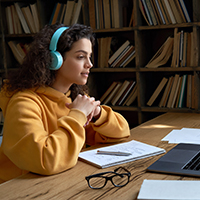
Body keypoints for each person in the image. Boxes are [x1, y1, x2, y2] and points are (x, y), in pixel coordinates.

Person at [0, 23, 130, 184]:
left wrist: (98, 115)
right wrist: (78, 115)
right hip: (22, 189)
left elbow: (122, 132)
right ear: (54, 59)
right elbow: (45, 160)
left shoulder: (73, 97)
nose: (89, 64)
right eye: (81, 57)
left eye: (89, 56)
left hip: (62, 181)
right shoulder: (23, 103)